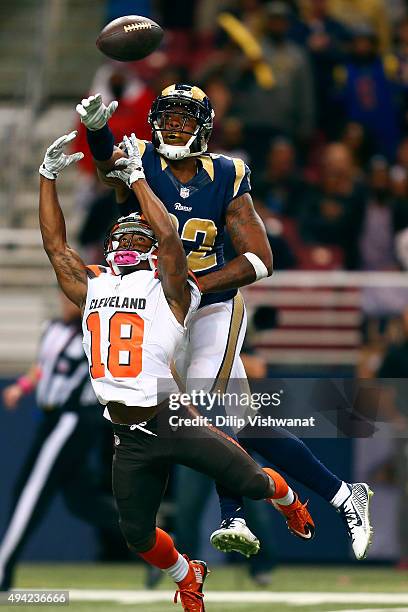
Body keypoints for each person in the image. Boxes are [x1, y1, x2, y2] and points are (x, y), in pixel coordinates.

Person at [75, 83, 373, 560]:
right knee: (245, 424)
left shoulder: (229, 174)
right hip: (156, 305)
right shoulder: (141, 159)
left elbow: (259, 258)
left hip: (211, 304)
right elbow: (110, 164)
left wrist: (196, 284)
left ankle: (233, 515)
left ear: (204, 127)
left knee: (195, 406)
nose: (173, 125)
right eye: (167, 116)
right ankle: (342, 494)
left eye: (184, 118)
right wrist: (95, 130)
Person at [38, 131, 314, 611]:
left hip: (171, 417)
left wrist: (140, 181)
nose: (128, 241)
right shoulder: (91, 287)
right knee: (137, 534)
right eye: (121, 236)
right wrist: (47, 177)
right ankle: (189, 574)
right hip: (128, 431)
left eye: (137, 237)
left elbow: (167, 235)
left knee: (252, 482)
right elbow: (54, 244)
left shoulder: (171, 291)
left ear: (154, 252)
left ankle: (290, 500)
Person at [0, 293, 121, 591]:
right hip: (53, 418)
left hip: (73, 419)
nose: (68, 303)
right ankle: (155, 536)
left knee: (30, 491)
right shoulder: (51, 328)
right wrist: (23, 387)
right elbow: (43, 366)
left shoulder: (95, 335)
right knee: (83, 503)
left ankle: (3, 569)